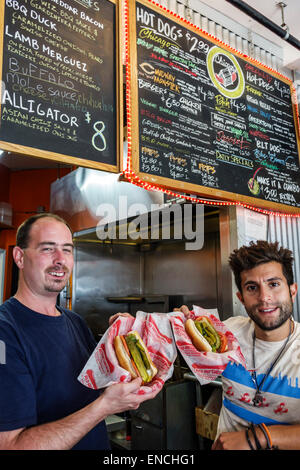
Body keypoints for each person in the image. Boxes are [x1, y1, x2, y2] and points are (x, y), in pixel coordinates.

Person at [0, 213, 162, 450]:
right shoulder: (6, 332)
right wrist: (105, 407)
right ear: (20, 257)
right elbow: (10, 445)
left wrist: (119, 341)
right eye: (48, 249)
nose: (60, 260)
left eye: (67, 250)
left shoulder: (75, 322)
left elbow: (99, 389)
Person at [176, 240, 300, 450]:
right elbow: (184, 345)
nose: (264, 298)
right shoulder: (228, 332)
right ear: (241, 298)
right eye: (252, 288)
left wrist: (256, 438)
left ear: (293, 291)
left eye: (274, 284)